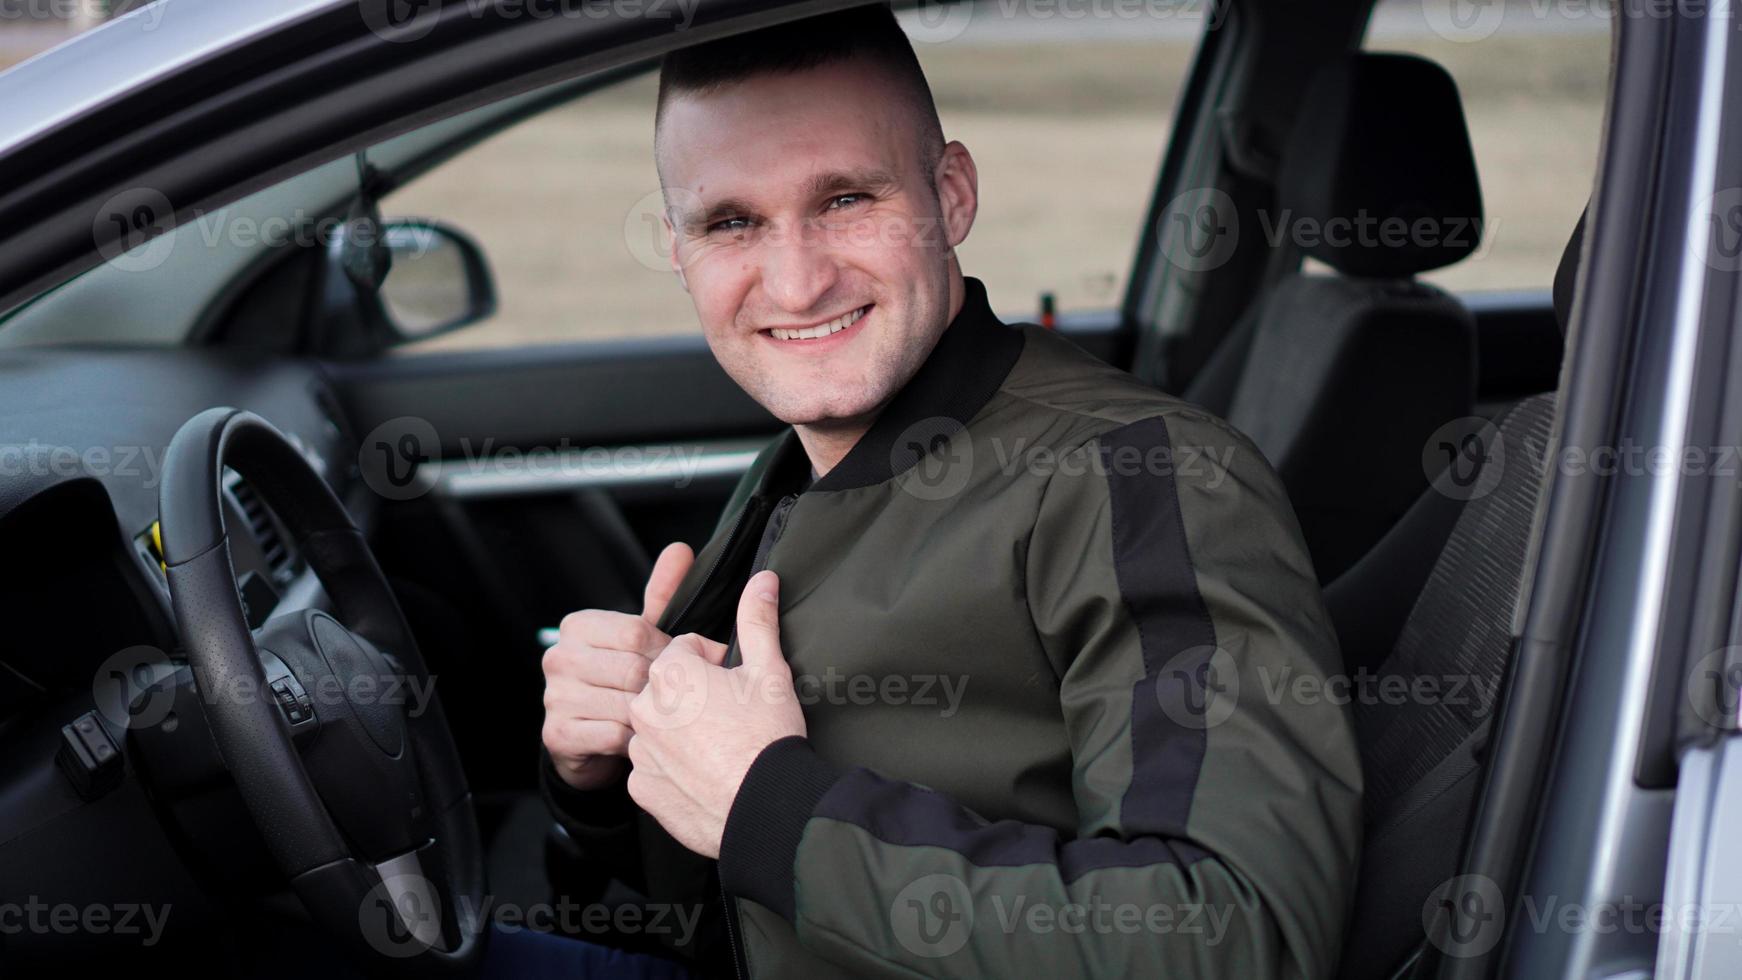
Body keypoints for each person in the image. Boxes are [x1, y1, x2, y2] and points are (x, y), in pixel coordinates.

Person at [540, 6, 1363, 978]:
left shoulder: (1142, 476)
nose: (797, 282)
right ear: (677, 249)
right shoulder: (800, 468)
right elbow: (723, 899)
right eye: (731, 222)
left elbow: (1233, 932)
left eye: (845, 199)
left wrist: (774, 809)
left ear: (951, 195)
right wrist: (598, 781)